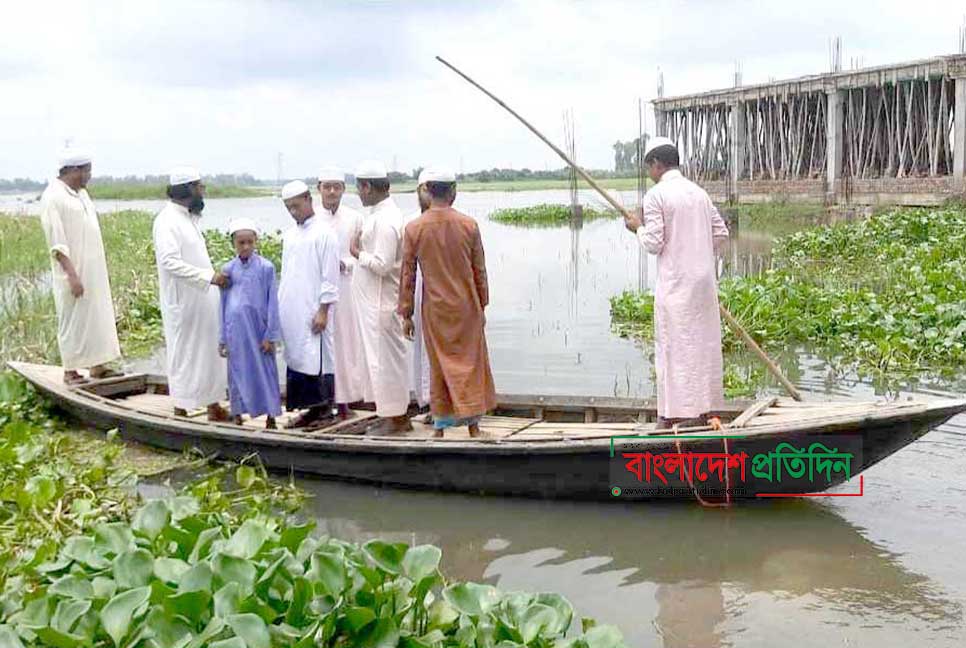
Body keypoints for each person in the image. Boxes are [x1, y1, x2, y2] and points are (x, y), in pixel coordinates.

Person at [623, 137, 730, 429]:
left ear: (657, 164)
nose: (650, 173)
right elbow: (720, 234)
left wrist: (637, 227)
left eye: (649, 168)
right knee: (702, 344)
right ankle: (705, 410)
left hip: (676, 286)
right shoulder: (699, 193)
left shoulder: (656, 196)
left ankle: (668, 416)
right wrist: (695, 251)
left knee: (672, 348)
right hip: (703, 284)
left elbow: (654, 243)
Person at [398, 168, 496, 438]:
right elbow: (480, 272)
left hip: (435, 310)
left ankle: (440, 430)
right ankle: (474, 427)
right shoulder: (469, 225)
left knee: (439, 365)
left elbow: (407, 276)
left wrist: (406, 313)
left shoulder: (414, 228)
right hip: (467, 307)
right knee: (470, 365)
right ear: (453, 191)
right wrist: (483, 305)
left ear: (427, 191)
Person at [39, 147, 122, 385]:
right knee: (73, 320)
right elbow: (57, 242)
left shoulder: (81, 194)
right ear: (74, 170)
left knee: (97, 316)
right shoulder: (53, 196)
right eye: (87, 171)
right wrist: (72, 276)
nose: (89, 176)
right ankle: (70, 371)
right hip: (72, 272)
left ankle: (98, 366)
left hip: (94, 270)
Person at [153, 167, 230, 420]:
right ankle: (181, 406)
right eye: (199, 186)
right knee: (185, 354)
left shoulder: (189, 218)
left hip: (203, 300)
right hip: (184, 302)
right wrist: (208, 277)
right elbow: (169, 262)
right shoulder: (167, 221)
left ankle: (212, 405)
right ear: (187, 189)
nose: (203, 191)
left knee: (209, 352)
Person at [349, 160, 411, 434]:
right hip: (374, 305)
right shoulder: (378, 215)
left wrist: (356, 253)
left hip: (380, 304)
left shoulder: (386, 221)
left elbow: (383, 265)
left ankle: (395, 418)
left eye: (359, 189)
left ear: (368, 187)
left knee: (385, 364)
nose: (358, 194)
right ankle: (390, 413)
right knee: (380, 363)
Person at [278, 180, 341, 429]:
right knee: (297, 357)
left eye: (297, 205)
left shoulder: (324, 234)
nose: (294, 211)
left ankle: (324, 410)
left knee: (318, 358)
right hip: (292, 309)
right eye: (289, 208)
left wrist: (323, 310)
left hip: (315, 309)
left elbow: (330, 277)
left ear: (308, 200)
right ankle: (307, 411)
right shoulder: (290, 235)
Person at [218, 218, 282, 429]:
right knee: (237, 374)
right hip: (236, 332)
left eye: (249, 242)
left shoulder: (266, 268)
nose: (245, 247)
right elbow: (223, 304)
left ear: (255, 242)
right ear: (233, 244)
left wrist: (271, 335)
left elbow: (272, 302)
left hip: (258, 331)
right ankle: (237, 413)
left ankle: (271, 416)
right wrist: (222, 338)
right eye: (241, 243)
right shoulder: (228, 270)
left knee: (265, 372)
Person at [316, 167, 364, 420]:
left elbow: (362, 254)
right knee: (321, 346)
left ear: (344, 190)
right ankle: (322, 402)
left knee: (346, 345)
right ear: (319, 188)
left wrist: (344, 264)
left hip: (346, 291)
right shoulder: (312, 219)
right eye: (327, 186)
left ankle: (345, 402)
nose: (332, 191)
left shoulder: (355, 218)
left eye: (337, 186)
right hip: (318, 294)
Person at [406, 169, 433, 415]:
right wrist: (406, 311)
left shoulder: (459, 221)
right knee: (421, 351)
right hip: (419, 296)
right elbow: (408, 271)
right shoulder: (412, 223)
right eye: (423, 188)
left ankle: (447, 406)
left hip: (446, 298)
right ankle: (427, 403)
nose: (427, 193)